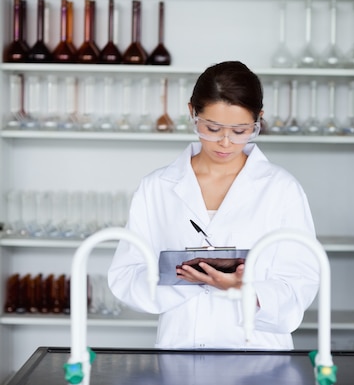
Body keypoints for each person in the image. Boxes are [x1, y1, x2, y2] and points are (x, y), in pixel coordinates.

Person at [108, 61, 320, 350]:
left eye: (241, 130)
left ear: (259, 119)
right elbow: (125, 276)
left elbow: (300, 283)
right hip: (180, 350)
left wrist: (243, 289)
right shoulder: (157, 188)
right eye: (212, 127)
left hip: (258, 355)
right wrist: (184, 278)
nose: (225, 142)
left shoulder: (282, 189)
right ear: (192, 113)